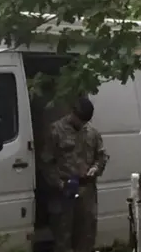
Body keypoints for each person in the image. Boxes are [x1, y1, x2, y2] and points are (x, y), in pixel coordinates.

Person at [40, 96, 109, 252]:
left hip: (87, 192)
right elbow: (46, 163)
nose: (82, 124)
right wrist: (60, 183)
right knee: (63, 237)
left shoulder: (92, 132)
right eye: (80, 120)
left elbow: (101, 156)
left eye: (85, 121)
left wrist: (95, 168)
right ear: (73, 113)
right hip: (64, 191)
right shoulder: (56, 131)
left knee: (86, 236)